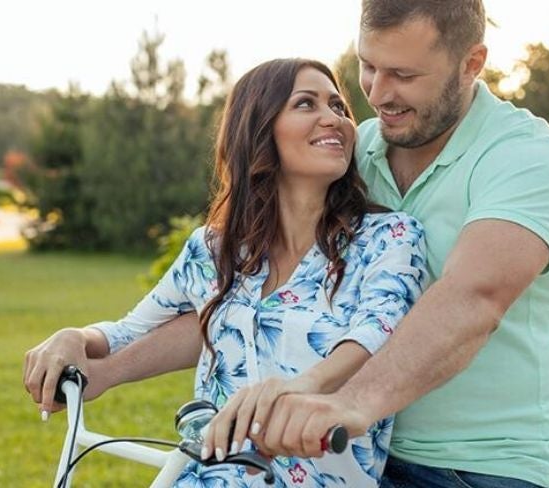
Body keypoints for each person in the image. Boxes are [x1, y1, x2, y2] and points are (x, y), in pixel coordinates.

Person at [202, 2, 549, 488]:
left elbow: (473, 299)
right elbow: (252, 289)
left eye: (403, 74)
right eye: (368, 66)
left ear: (472, 63)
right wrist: (105, 362)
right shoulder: (357, 151)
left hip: (483, 467)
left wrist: (350, 402)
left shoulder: (524, 157)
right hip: (355, 457)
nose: (379, 94)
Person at [24, 58, 429, 487]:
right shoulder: (214, 249)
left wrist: (301, 387)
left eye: (339, 107)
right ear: (259, 129)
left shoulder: (389, 238)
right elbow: (129, 331)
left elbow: (381, 329)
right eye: (306, 104)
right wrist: (74, 337)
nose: (334, 119)